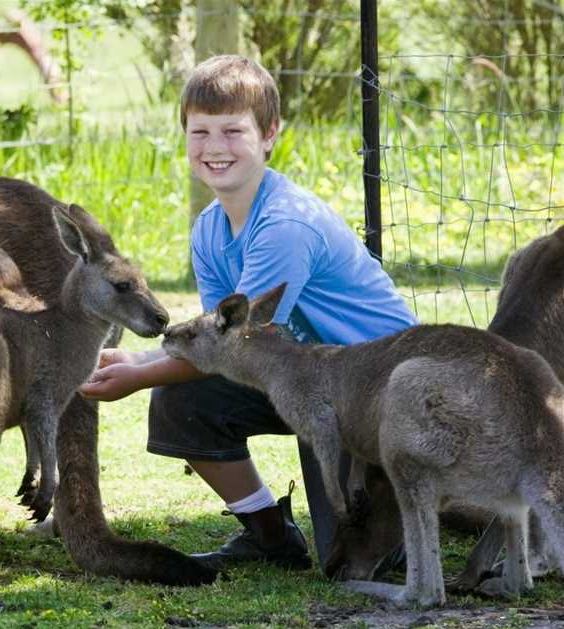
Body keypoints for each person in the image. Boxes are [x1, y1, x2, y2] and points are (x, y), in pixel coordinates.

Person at [79, 54, 418, 571]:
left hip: (377, 390)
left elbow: (232, 344)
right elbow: (219, 343)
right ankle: (269, 536)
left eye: (233, 130)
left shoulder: (285, 224)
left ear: (269, 134)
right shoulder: (209, 229)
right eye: (201, 132)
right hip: (301, 380)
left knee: (351, 560)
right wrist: (144, 370)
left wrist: (137, 374)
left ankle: (448, 507)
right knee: (183, 400)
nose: (215, 147)